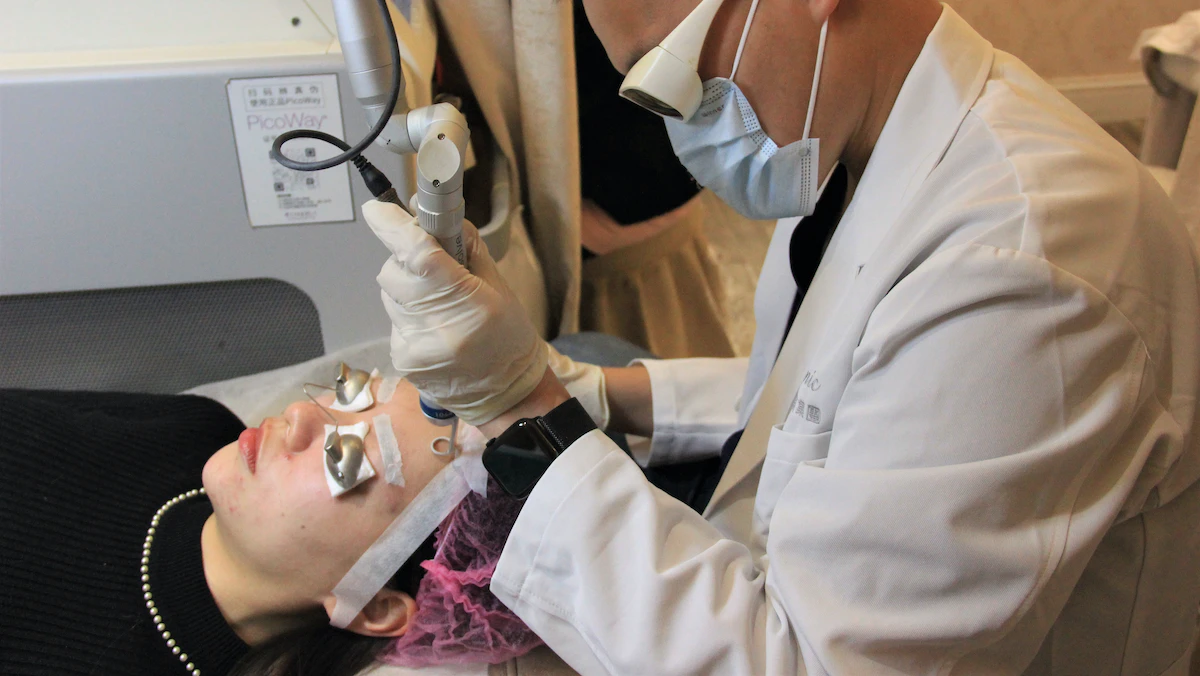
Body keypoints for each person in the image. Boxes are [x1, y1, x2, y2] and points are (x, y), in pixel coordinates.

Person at [361, 0, 1200, 673]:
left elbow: (814, 662)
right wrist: (596, 390)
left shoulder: (1023, 269)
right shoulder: (865, 141)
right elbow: (841, 386)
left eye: (670, 74)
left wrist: (525, 415)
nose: (681, 130)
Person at [0, 375, 542, 676]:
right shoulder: (196, 429)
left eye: (346, 458)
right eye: (350, 392)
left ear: (374, 607)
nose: (301, 416)